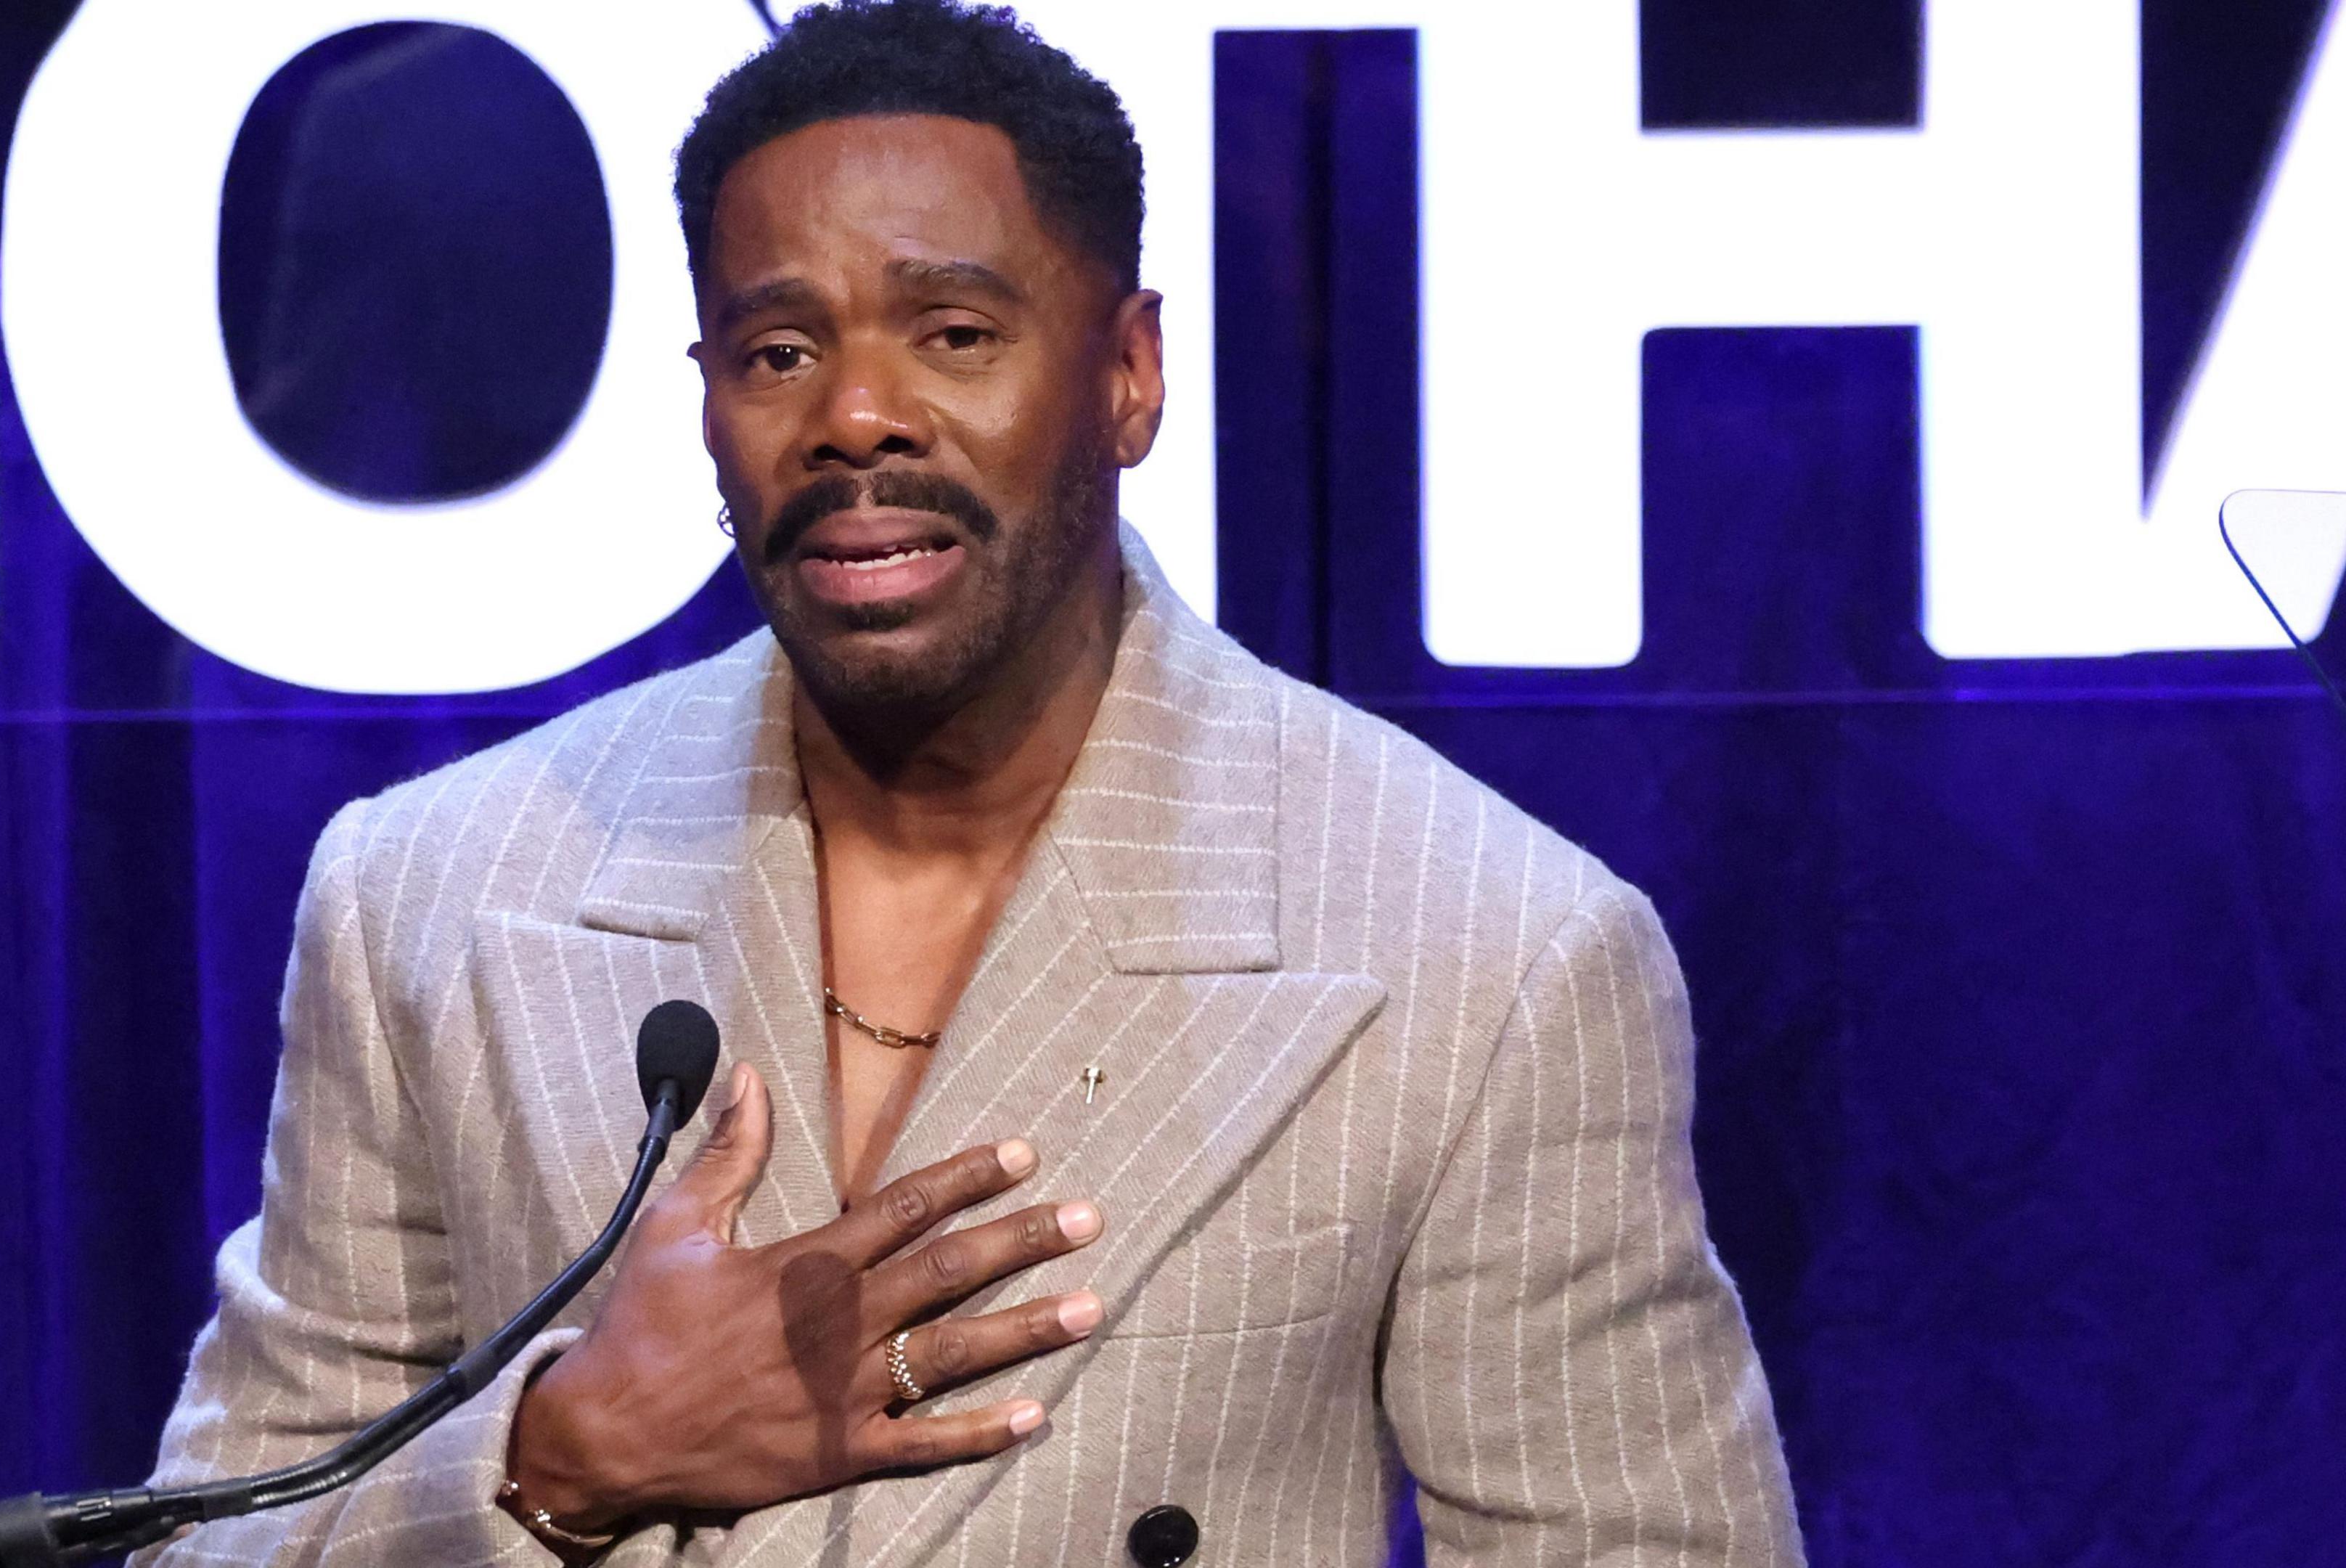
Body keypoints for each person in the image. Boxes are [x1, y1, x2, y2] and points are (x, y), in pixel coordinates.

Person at [135, 3, 1804, 1563]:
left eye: (954, 331)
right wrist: (559, 1460)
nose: (859, 417)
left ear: (1128, 374)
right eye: (777, 352)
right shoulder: (432, 892)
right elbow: (211, 1534)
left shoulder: (1489, 951)